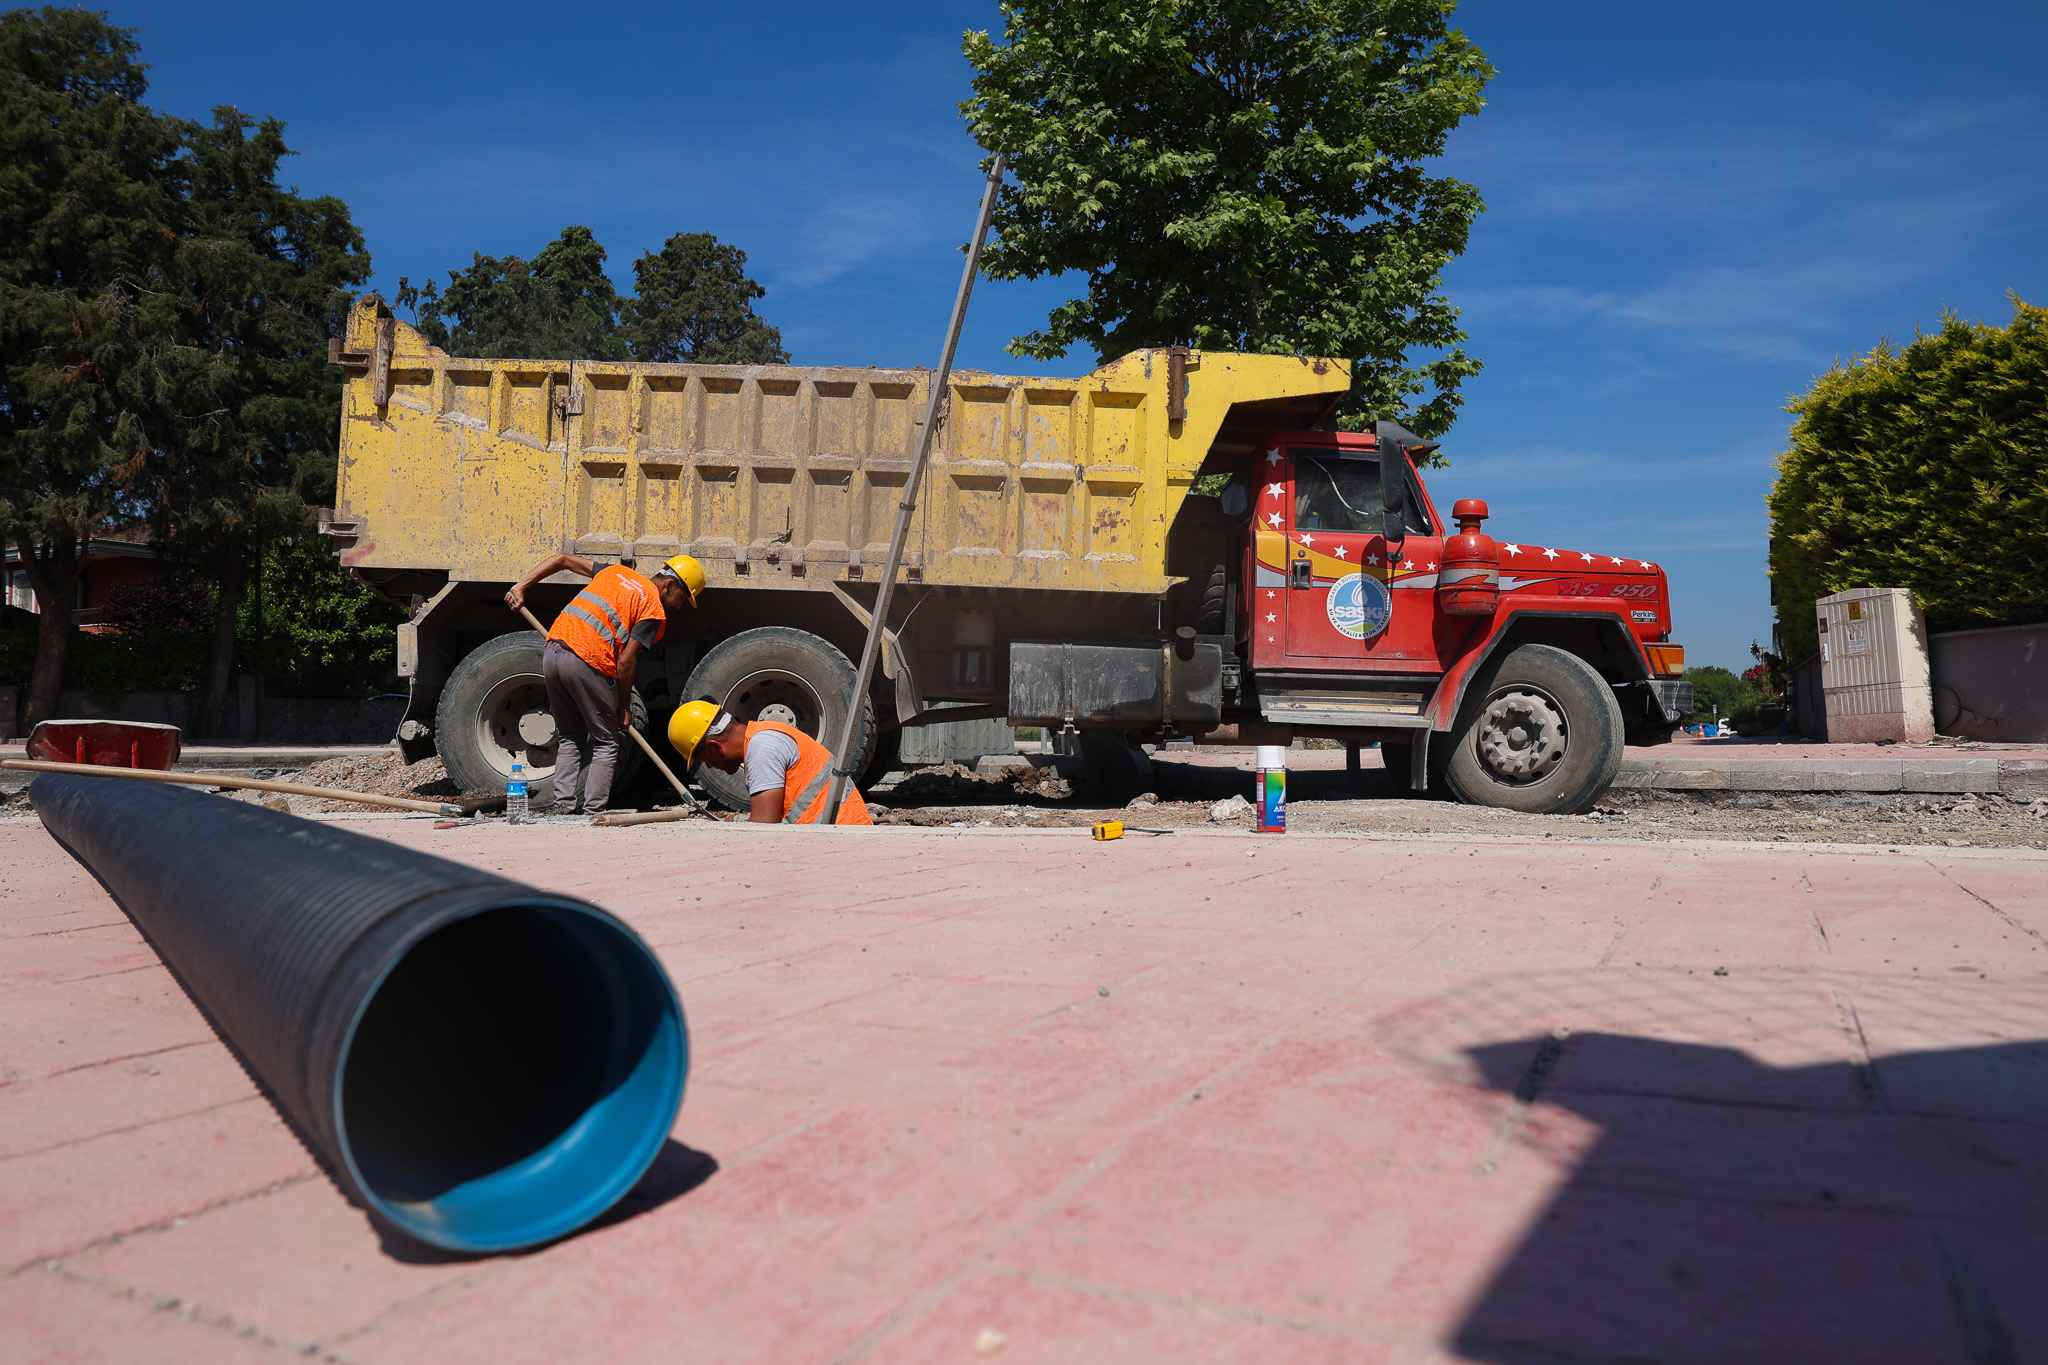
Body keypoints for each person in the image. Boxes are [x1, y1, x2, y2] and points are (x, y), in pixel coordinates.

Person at [504, 552, 705, 813]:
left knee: (570, 736)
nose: (679, 606)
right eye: (683, 597)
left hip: (553, 652)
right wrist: (624, 707)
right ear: (670, 584)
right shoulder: (653, 609)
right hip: (587, 660)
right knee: (606, 741)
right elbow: (625, 662)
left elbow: (562, 559)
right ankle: (594, 811)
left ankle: (563, 804)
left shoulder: (615, 572)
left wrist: (520, 587)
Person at [667, 700, 872, 825]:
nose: (710, 766)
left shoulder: (761, 748)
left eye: (704, 759)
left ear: (714, 746)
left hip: (843, 842)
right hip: (842, 832)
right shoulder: (765, 733)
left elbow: (764, 828)